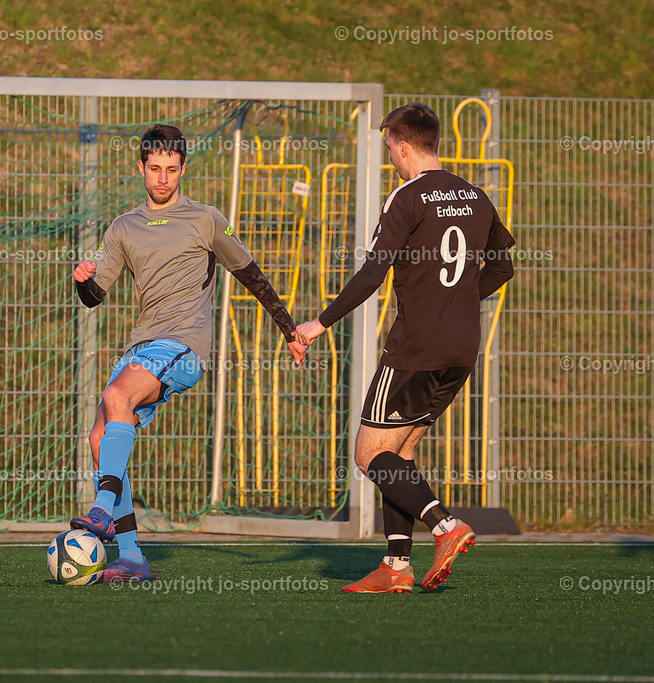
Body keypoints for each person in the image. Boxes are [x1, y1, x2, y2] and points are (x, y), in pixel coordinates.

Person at [70, 124, 308, 582]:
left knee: (116, 398)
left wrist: (289, 328)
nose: (163, 178)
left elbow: (250, 273)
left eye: (172, 170)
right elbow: (96, 295)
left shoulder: (205, 219)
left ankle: (101, 510)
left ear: (183, 170)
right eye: (155, 169)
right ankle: (133, 557)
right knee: (99, 440)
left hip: (184, 344)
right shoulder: (123, 227)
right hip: (142, 344)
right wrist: (83, 280)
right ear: (140, 167)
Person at [296, 103, 515, 592]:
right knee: (400, 452)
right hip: (462, 346)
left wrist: (320, 323)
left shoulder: (406, 197)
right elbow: (502, 268)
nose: (391, 155)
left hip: (415, 346)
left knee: (369, 454)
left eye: (389, 146)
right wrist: (456, 300)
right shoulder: (477, 196)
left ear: (400, 144)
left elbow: (374, 272)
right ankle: (396, 567)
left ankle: (445, 526)